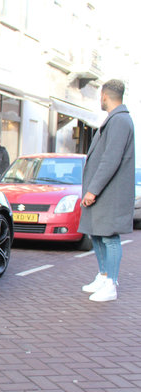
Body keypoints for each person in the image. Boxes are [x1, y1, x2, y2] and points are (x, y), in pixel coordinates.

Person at [79, 79, 135, 302]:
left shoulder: (120, 121)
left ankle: (111, 283)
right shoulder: (115, 120)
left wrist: (92, 190)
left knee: (110, 237)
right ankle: (103, 276)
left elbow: (111, 160)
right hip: (104, 192)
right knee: (97, 234)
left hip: (110, 192)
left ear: (104, 95)